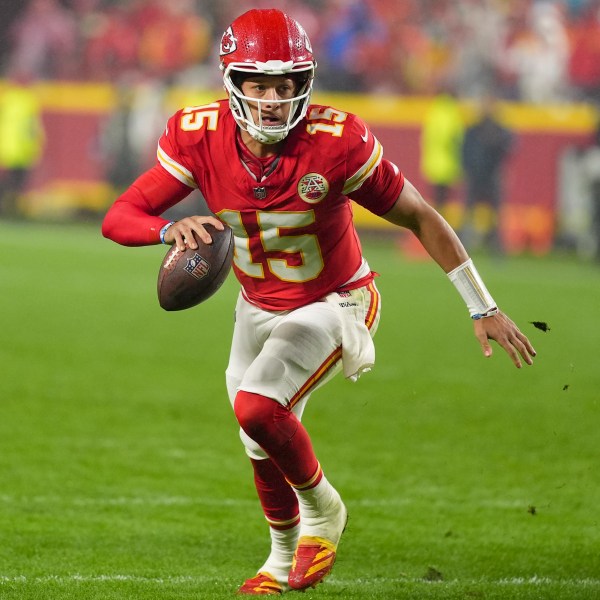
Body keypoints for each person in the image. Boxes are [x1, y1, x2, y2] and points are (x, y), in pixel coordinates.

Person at [102, 9, 536, 595]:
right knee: (256, 438)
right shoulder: (197, 133)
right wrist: (167, 230)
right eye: (259, 84)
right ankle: (281, 560)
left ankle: (324, 511)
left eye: (286, 84)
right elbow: (119, 216)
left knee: (257, 406)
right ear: (231, 81)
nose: (274, 98)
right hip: (257, 304)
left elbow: (418, 216)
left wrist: (481, 306)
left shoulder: (337, 141)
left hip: (337, 300)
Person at [460, 95, 514, 254]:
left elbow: (509, 147)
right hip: (476, 176)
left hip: (491, 177)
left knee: (495, 216)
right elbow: (465, 151)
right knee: (469, 214)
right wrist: (468, 169)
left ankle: (496, 248)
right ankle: (462, 248)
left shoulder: (499, 129)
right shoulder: (474, 129)